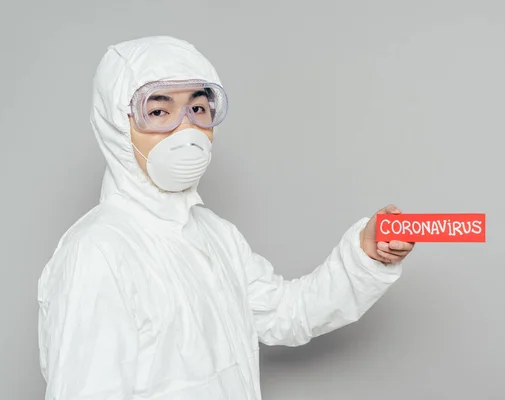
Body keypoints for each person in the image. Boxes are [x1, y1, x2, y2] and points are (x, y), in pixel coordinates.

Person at [37, 35, 414, 400]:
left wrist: (364, 257)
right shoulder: (98, 252)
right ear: (118, 127)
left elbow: (286, 314)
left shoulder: (215, 235)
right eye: (158, 112)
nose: (186, 128)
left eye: (198, 109)